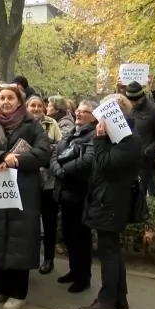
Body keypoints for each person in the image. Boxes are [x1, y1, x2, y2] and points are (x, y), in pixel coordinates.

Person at [0, 85, 50, 309]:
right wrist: (1, 156)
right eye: (2, 98)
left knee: (20, 239)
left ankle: (18, 292)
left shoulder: (32, 125)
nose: (6, 101)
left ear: (19, 102)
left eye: (11, 98)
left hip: (23, 190)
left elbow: (44, 153)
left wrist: (16, 159)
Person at [78, 94, 141, 309]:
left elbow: (104, 165)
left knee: (109, 252)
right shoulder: (120, 138)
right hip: (107, 199)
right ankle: (119, 297)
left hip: (112, 202)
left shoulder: (128, 140)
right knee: (111, 248)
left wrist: (100, 139)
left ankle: (105, 302)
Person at [50, 100, 98, 293]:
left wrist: (63, 170)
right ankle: (73, 270)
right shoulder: (70, 133)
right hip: (65, 192)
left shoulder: (94, 135)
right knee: (69, 236)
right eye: (78, 110)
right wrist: (57, 169)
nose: (79, 114)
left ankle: (83, 277)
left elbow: (87, 161)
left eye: (84, 112)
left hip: (80, 193)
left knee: (81, 238)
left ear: (94, 116)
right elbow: (55, 154)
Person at [26, 95, 62, 274]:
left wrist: (42, 150)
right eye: (32, 105)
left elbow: (60, 146)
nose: (36, 109)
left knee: (49, 221)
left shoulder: (51, 124)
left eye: (39, 106)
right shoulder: (22, 123)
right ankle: (27, 257)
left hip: (48, 180)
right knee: (27, 222)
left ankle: (49, 258)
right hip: (27, 179)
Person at [125, 81, 155, 198]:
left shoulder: (154, 110)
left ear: (141, 97)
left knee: (142, 193)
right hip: (128, 157)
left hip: (145, 159)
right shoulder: (129, 109)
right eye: (130, 100)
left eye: (135, 101)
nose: (132, 103)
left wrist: (149, 151)